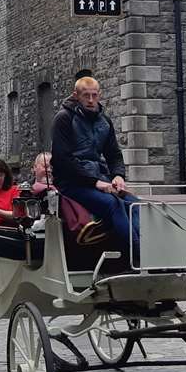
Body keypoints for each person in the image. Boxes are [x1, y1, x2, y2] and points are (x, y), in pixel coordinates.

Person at [50, 76, 140, 254]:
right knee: (112, 204)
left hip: (99, 178)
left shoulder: (104, 121)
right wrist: (95, 182)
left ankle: (152, 251)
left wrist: (118, 175)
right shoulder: (63, 119)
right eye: (86, 95)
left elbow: (114, 154)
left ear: (99, 95)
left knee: (135, 205)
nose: (90, 100)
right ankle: (140, 254)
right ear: (76, 95)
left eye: (94, 95)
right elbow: (63, 160)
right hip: (70, 183)